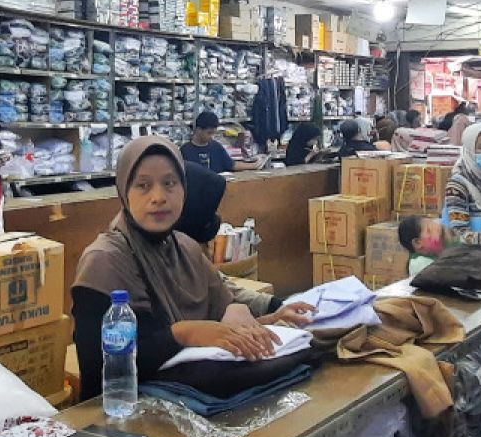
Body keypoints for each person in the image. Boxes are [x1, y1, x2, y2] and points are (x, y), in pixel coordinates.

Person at [71, 137, 314, 400]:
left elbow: (223, 304)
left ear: (183, 189)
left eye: (170, 183)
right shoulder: (104, 260)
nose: (158, 197)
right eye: (143, 186)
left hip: (194, 403)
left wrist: (269, 319)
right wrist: (184, 333)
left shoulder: (184, 247)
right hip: (126, 410)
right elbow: (101, 368)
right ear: (123, 191)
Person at [177, 161, 302, 319]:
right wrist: (268, 320)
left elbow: (223, 287)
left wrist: (276, 306)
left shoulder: (189, 252)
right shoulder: (157, 259)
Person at [180, 111, 261, 173]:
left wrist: (254, 165)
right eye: (209, 133)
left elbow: (231, 165)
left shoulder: (216, 147)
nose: (212, 136)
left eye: (214, 133)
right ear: (198, 130)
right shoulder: (185, 151)